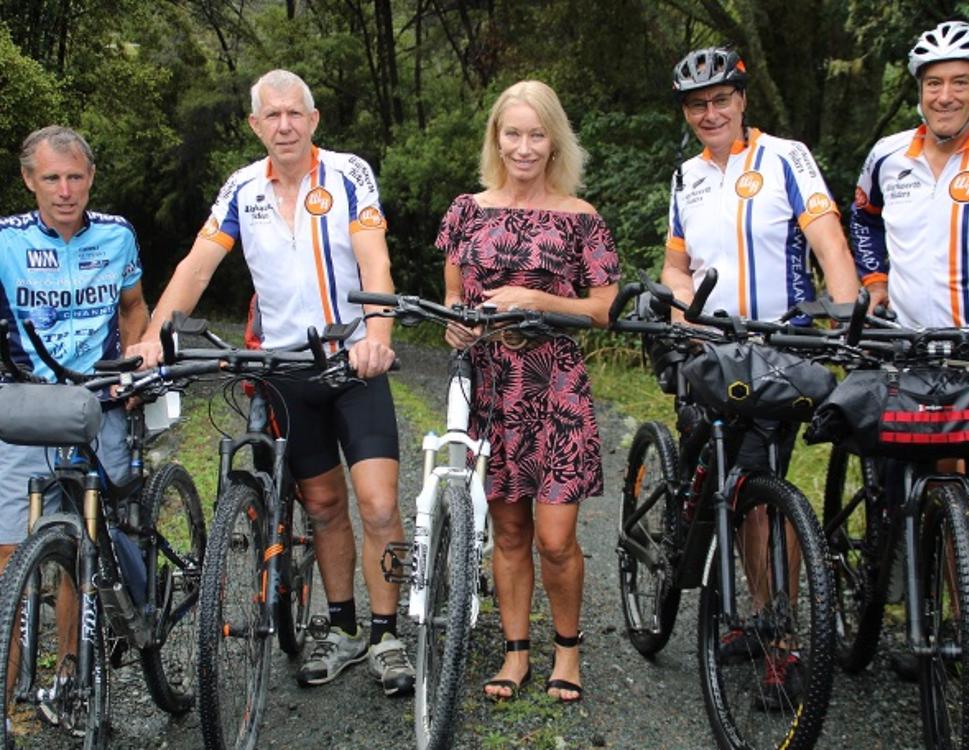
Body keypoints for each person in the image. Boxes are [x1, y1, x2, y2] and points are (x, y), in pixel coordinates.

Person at [126, 69, 414, 696]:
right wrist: (152, 338)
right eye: (272, 116)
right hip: (284, 370)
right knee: (324, 506)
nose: (285, 126)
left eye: (295, 113)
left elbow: (376, 260)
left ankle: (387, 635)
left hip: (351, 361)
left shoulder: (347, 173)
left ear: (313, 120)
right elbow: (197, 268)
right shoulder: (241, 188)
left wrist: (378, 336)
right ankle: (342, 628)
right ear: (256, 126)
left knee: (379, 503)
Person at [661, 47, 859, 703]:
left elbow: (830, 244)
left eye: (721, 99)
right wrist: (681, 312)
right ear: (687, 113)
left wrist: (845, 320)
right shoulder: (686, 176)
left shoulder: (785, 158)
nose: (710, 113)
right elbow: (677, 266)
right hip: (711, 352)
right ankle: (753, 611)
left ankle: (780, 636)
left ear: (742, 100)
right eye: (697, 104)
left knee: (761, 490)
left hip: (779, 350)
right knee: (722, 481)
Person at [435, 80, 621, 703]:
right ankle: (515, 652)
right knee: (509, 532)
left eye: (536, 134)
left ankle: (567, 649)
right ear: (496, 139)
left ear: (554, 141)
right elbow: (452, 299)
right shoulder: (467, 210)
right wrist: (456, 326)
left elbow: (603, 309)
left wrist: (536, 298)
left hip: (555, 387)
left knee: (555, 538)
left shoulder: (581, 217)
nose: (523, 147)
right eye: (512, 133)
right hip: (490, 385)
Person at [850, 20, 969, 677]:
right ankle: (921, 608)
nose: (945, 96)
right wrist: (875, 281)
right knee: (913, 489)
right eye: (933, 83)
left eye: (959, 82)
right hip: (908, 346)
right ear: (919, 90)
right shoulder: (889, 156)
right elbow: (863, 217)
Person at [0, 125, 149, 735]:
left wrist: (135, 362)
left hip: (99, 406)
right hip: (27, 409)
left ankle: (70, 676)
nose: (65, 191)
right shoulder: (6, 241)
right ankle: (7, 696)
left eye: (75, 177)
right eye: (52, 178)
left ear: (90, 178)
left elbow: (133, 305)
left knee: (86, 549)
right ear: (29, 180)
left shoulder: (117, 235)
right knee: (11, 555)